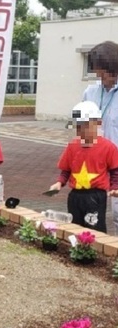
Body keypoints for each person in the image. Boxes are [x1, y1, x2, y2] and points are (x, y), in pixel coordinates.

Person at [49, 101, 118, 233]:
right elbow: (66, 170)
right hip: (76, 195)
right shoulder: (72, 146)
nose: (82, 130)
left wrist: (115, 187)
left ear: (97, 124)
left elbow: (115, 171)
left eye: (86, 126)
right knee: (75, 227)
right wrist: (59, 183)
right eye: (79, 126)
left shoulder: (108, 147)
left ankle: (93, 251)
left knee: (94, 228)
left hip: (95, 195)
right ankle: (77, 251)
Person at [82, 41, 118, 233]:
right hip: (96, 162)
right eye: (97, 71)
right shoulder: (91, 92)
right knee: (92, 210)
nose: (99, 76)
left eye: (103, 71)